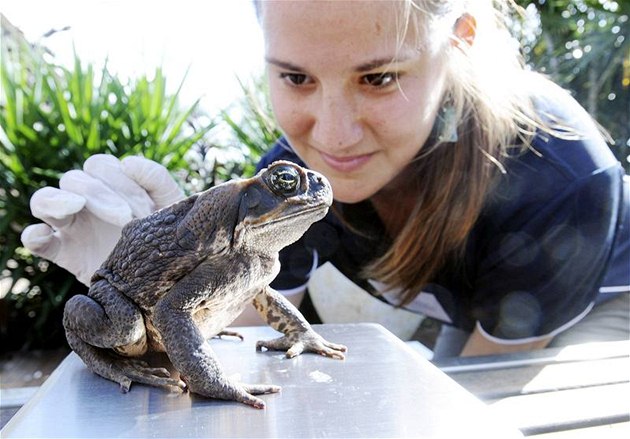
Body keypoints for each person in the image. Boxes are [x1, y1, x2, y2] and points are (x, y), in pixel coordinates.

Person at [21, 0, 629, 359]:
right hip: (465, 302)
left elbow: (497, 370)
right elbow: (244, 320)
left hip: (597, 303)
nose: (332, 140)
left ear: (458, 43)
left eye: (380, 77)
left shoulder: (561, 176)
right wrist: (150, 279)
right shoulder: (288, 180)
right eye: (295, 77)